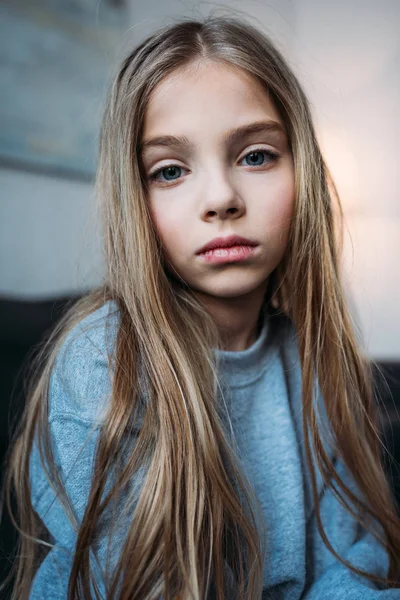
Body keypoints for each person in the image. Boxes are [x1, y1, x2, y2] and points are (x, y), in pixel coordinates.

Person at [2, 13, 400, 600]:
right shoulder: (102, 361)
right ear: (134, 200)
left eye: (257, 156)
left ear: (304, 174)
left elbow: (352, 559)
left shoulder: (310, 355)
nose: (220, 198)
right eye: (170, 170)